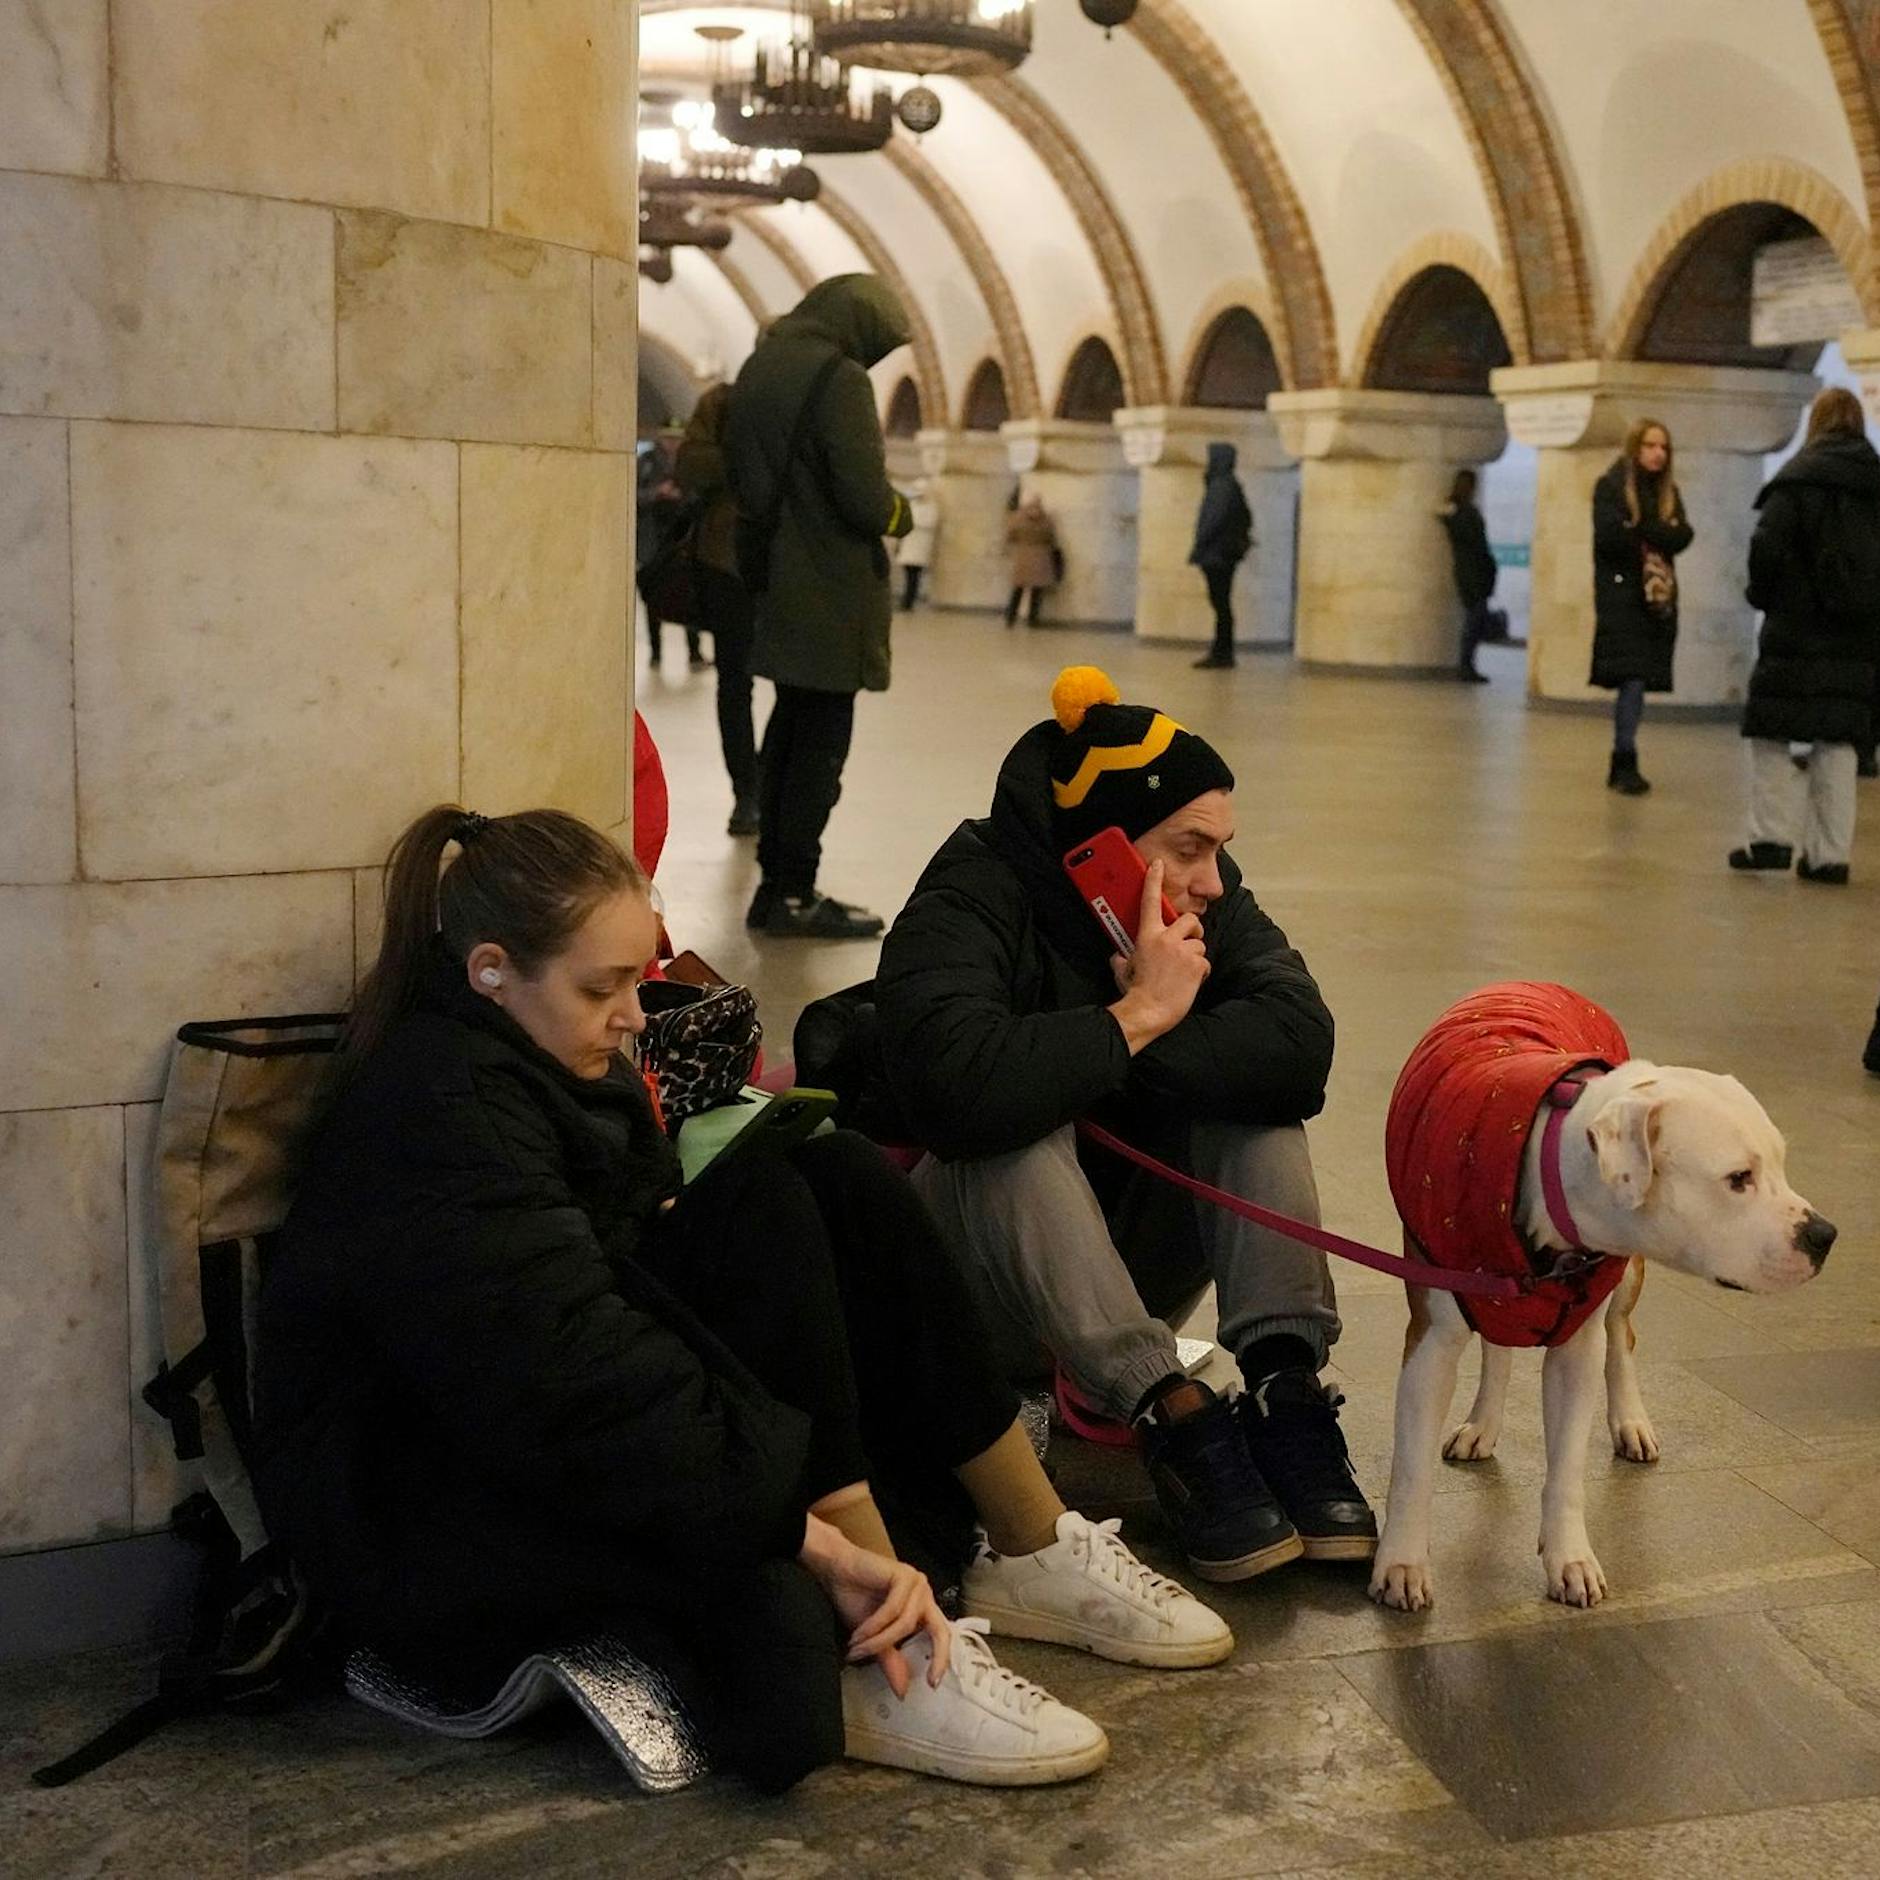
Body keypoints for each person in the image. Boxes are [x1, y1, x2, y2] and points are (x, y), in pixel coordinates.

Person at [253, 806, 1235, 1798]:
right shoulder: (440, 1113)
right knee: (761, 1601)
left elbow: (596, 1304)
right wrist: (798, 1535)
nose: (638, 1011)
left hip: (537, 1420)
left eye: (638, 974)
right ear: (492, 968)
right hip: (417, 1514)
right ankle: (883, 1645)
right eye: (606, 985)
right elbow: (576, 1383)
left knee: (831, 1176)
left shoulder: (527, 1055)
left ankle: (1023, 1542)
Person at [874, 668, 1375, 1588]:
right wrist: (1137, 1015)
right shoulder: (972, 888)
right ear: (1101, 844)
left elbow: (1301, 1048)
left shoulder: (1192, 905)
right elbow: (955, 1089)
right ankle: (1171, 1411)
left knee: (1254, 1102)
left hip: (1126, 1258)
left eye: (1220, 849)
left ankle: (1285, 1386)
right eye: (1189, 847)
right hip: (978, 1281)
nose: (1213, 881)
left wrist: (1145, 1033)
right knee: (1009, 1130)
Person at [726, 275, 913, 941]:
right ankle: (796, 893)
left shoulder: (763, 364)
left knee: (786, 740)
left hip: (777, 583)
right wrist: (902, 511)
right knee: (819, 753)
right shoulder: (839, 378)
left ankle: (775, 886)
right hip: (829, 594)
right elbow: (864, 498)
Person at [1727, 387, 1880, 885]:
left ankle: (1769, 840)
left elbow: (1766, 549)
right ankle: (1828, 856)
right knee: (1837, 742)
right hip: (1856, 637)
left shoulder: (1795, 482)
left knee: (1771, 732)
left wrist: (1764, 595)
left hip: (1794, 630)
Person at [1591, 418, 1694, 794]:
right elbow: (1611, 538)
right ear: (1636, 448)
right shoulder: (1612, 487)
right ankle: (1624, 758)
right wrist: (1655, 530)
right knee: (1632, 679)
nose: (1658, 454)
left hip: (1656, 600)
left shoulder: (1668, 492)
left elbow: (1682, 534)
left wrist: (1643, 527)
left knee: (1638, 680)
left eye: (1663, 447)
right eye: (1651, 446)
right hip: (1622, 600)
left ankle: (1623, 758)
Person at [676, 384, 760, 836]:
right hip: (727, 563)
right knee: (736, 683)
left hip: (792, 565)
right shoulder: (724, 401)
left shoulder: (811, 394)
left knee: (799, 691)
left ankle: (768, 788)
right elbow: (692, 466)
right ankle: (747, 792)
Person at [637, 440, 707, 674]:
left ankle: (694, 651)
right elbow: (633, 495)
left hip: (680, 543)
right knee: (653, 596)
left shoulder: (688, 463)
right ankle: (656, 652)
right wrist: (657, 493)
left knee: (687, 593)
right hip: (652, 542)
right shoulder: (646, 462)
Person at [1190, 443, 1254, 671]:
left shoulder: (1222, 485)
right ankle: (1221, 651)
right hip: (1223, 554)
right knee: (1221, 604)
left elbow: (1212, 520)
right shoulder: (1229, 484)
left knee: (1221, 604)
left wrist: (1199, 546)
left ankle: (1222, 652)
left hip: (1217, 555)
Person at [1437, 467, 1498, 684]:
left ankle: (1467, 665)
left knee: (1475, 620)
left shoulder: (1457, 510)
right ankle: (1466, 665)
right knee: (1474, 621)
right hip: (1472, 572)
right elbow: (1476, 543)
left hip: (1472, 571)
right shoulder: (1462, 511)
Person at [1005, 494, 1058, 627]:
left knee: (1018, 590)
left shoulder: (1018, 519)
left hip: (1023, 557)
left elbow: (1011, 535)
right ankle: (1032, 620)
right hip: (1040, 558)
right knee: (1036, 593)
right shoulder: (1046, 520)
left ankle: (1010, 617)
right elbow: (1051, 538)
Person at [898, 478, 941, 611]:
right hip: (909, 545)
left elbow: (928, 523)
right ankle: (906, 600)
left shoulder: (932, 507)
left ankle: (909, 601)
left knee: (914, 577)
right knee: (908, 575)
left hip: (920, 547)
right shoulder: (912, 505)